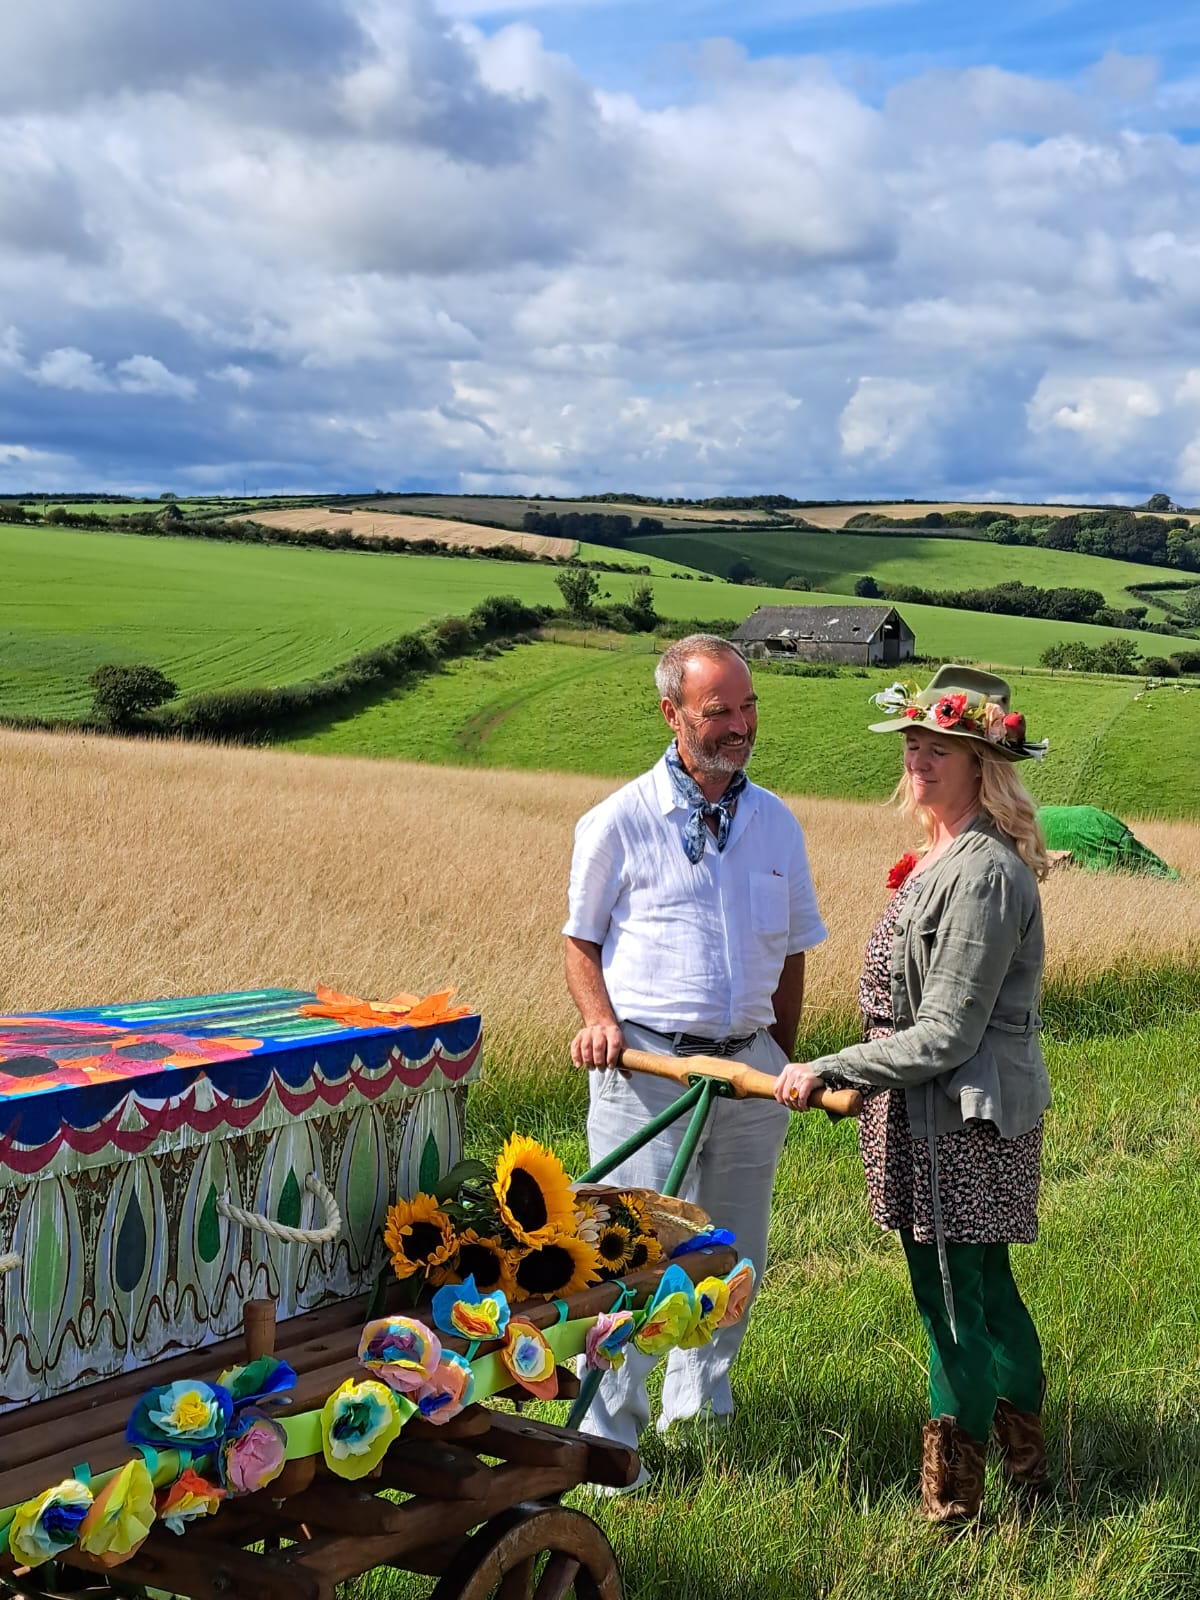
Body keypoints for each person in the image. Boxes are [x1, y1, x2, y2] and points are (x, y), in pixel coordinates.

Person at [775, 665, 1052, 1526]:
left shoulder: (980, 873)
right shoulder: (945, 854)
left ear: (982, 764)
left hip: (955, 1117)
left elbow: (947, 1034)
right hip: (935, 1112)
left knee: (950, 1301)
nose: (921, 760)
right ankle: (1025, 1467)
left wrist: (832, 1066)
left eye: (943, 748)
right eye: (914, 745)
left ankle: (953, 1499)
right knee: (982, 1288)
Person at [563, 633, 827, 1480]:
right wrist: (600, 1021)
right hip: (648, 1074)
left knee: (734, 1254)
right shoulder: (617, 820)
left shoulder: (777, 822)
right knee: (625, 1261)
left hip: (747, 1073)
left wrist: (777, 1054)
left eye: (749, 707)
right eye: (721, 711)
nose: (741, 725)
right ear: (672, 713)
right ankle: (611, 1444)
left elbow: (792, 953)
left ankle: (701, 1418)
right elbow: (580, 943)